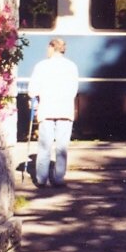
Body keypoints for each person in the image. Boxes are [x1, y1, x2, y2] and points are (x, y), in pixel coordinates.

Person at [27, 38, 79, 187]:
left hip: (47, 110)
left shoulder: (42, 66)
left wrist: (35, 96)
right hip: (65, 110)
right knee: (62, 146)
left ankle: (42, 179)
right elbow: (74, 90)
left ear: (51, 47)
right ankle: (59, 178)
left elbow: (32, 90)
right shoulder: (72, 66)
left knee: (45, 145)